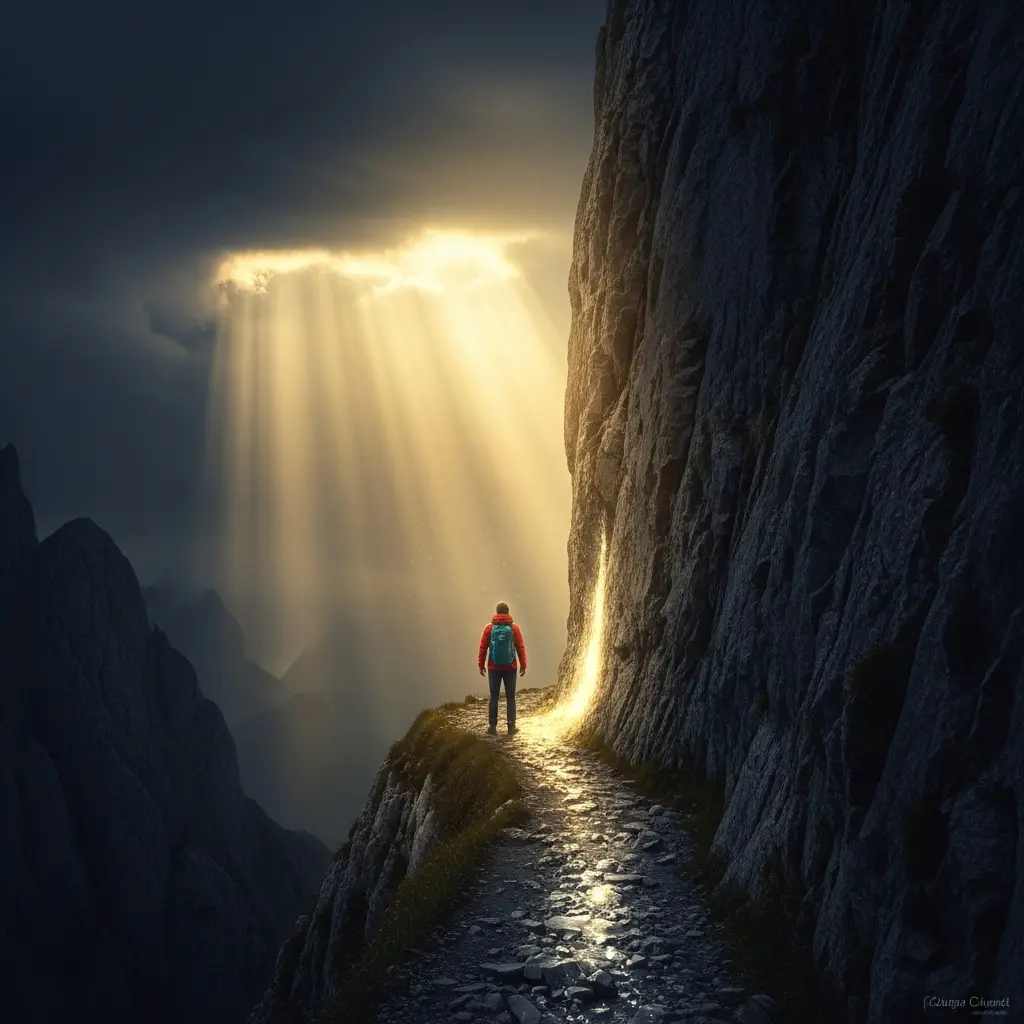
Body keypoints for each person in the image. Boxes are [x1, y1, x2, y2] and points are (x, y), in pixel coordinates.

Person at [478, 601, 527, 735]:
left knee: (494, 696)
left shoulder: (489, 628)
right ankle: (511, 727)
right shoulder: (514, 628)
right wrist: (523, 665)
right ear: (508, 612)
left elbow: (483, 648)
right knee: (510, 696)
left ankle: (492, 727)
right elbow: (520, 647)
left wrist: (481, 665)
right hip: (510, 667)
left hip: (493, 667)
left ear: (497, 612)